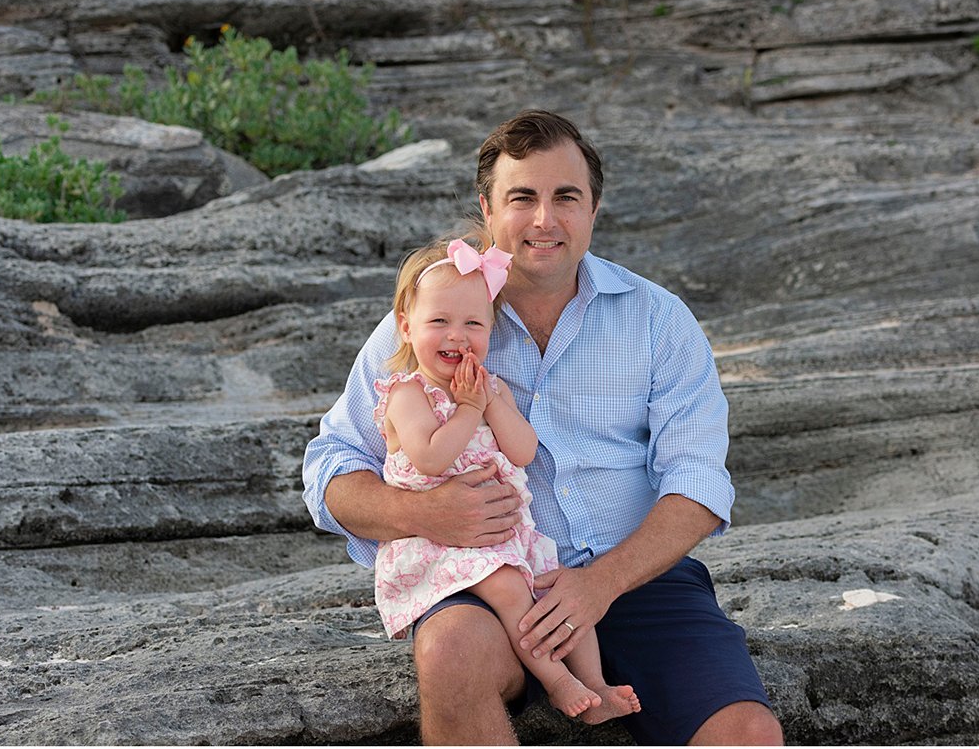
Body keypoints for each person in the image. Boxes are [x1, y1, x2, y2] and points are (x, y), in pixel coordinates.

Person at [301, 110, 783, 745]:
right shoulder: (433, 319)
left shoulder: (659, 321)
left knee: (746, 732)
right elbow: (329, 468)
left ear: (594, 209)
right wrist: (424, 512)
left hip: (635, 578)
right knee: (451, 654)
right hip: (484, 578)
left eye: (566, 198)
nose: (543, 220)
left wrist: (600, 583)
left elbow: (697, 484)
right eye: (521, 197)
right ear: (488, 207)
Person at [369, 235, 639, 724]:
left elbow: (525, 450)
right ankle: (560, 683)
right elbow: (432, 457)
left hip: (507, 539)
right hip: (444, 546)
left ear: (491, 330)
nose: (457, 335)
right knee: (514, 590)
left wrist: (490, 402)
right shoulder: (408, 394)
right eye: (439, 322)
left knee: (561, 594)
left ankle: (595, 684)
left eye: (474, 323)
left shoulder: (489, 388)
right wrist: (470, 409)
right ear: (406, 328)